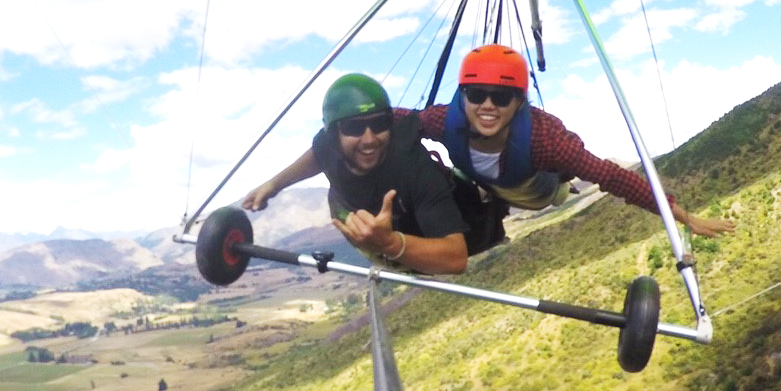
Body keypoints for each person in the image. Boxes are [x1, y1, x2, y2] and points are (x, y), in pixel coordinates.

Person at [419, 44, 735, 237]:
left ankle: (556, 188)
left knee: (555, 192)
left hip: (540, 191)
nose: (487, 106)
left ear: (519, 102)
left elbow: (612, 177)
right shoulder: (444, 121)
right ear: (463, 97)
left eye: (501, 97)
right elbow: (394, 120)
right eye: (476, 95)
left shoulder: (546, 141)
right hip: (490, 184)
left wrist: (683, 218)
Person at [243, 74, 485, 275]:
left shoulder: (415, 169)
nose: (369, 139)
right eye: (354, 127)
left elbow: (456, 259)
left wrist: (390, 243)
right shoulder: (327, 144)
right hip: (365, 228)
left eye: (379, 124)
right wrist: (274, 184)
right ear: (333, 133)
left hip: (416, 242)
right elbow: (317, 156)